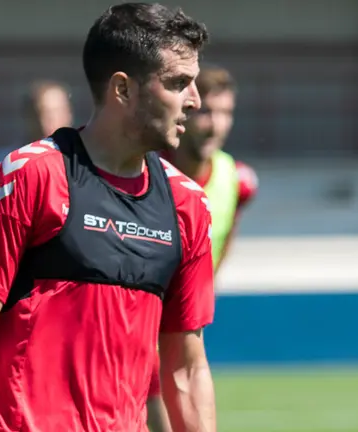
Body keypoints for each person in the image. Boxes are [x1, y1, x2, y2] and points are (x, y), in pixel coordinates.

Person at [0, 3, 217, 431]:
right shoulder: (33, 175)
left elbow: (186, 366)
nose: (195, 101)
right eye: (178, 83)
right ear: (123, 90)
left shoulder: (188, 205)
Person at [146, 66, 259, 431]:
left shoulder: (236, 180)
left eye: (227, 113)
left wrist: (205, 289)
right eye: (208, 112)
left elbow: (226, 236)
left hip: (184, 323)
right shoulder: (149, 172)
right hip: (139, 322)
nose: (216, 125)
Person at [0, 79, 73, 177]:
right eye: (42, 112)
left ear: (69, 114)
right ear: (27, 116)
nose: (51, 119)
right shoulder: (6, 164)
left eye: (57, 111)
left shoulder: (82, 162)